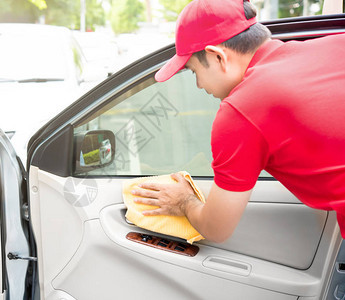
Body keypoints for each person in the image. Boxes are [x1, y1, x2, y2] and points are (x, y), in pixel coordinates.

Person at [132, 0, 345, 243]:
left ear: (218, 57)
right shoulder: (334, 44)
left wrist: (183, 200)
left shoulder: (241, 109)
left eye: (193, 72)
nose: (199, 85)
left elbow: (216, 229)